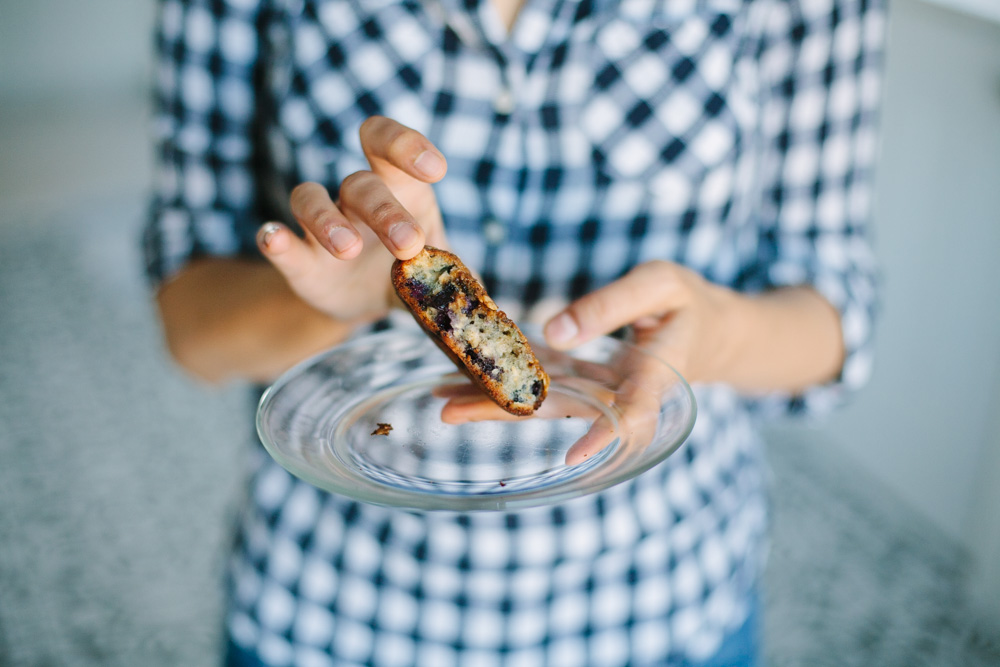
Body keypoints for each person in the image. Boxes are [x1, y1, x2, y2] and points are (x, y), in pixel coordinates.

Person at [145, 0, 884, 663]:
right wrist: (340, 299)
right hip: (336, 605)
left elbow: (836, 322)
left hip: (661, 599)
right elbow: (190, 328)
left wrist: (710, 333)